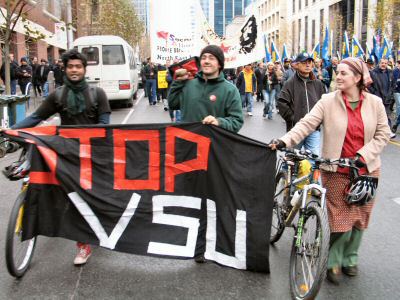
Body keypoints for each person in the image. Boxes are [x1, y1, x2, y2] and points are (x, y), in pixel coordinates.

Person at [270, 57, 391, 285]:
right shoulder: (327, 101)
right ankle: (334, 260)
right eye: (337, 72)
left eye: (344, 73)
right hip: (335, 168)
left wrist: (362, 156)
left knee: (361, 217)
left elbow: (383, 134)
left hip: (367, 169)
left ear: (357, 78)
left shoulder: (375, 103)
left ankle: (351, 257)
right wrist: (284, 141)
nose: (338, 76)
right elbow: (306, 124)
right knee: (339, 218)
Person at [7, 49, 111, 266]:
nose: (74, 70)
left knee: (93, 196)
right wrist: (11, 131)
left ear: (84, 69)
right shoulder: (58, 95)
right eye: (70, 66)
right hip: (66, 153)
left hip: (91, 153)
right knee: (72, 198)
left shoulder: (97, 94)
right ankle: (83, 244)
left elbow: (105, 126)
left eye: (78, 66)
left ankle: (98, 227)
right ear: (65, 69)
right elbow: (36, 117)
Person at [168, 44, 243, 133]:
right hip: (188, 143)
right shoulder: (188, 84)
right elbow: (172, 104)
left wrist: (219, 122)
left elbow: (237, 121)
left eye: (211, 58)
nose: (206, 61)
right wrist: (178, 82)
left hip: (214, 144)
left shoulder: (230, 90)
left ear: (219, 64)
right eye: (203, 58)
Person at [277, 52, 326, 155]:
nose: (307, 65)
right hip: (296, 130)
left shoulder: (317, 83)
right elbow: (282, 103)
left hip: (314, 129)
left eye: (309, 62)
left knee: (313, 159)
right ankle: (285, 171)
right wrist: (293, 119)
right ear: (297, 65)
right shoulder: (289, 83)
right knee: (291, 158)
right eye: (304, 62)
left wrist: (319, 121)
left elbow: (324, 103)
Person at [369, 57, 396, 139]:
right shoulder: (373, 73)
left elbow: (393, 85)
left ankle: (388, 131)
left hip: (387, 98)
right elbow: (369, 85)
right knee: (376, 116)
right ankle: (374, 132)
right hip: (377, 97)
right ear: (379, 63)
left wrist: (391, 94)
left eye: (385, 63)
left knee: (386, 115)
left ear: (387, 64)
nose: (383, 64)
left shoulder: (390, 73)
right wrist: (374, 92)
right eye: (382, 63)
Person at [391, 59, 400, 133]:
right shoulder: (395, 71)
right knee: (399, 105)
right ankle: (396, 124)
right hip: (397, 91)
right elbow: (395, 81)